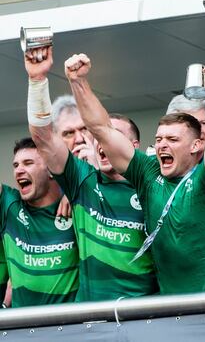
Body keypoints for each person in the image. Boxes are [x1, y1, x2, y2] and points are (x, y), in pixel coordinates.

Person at [65, 53, 205, 294]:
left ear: (196, 145)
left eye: (173, 139)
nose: (162, 145)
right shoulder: (148, 173)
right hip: (176, 308)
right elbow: (102, 129)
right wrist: (77, 82)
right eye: (159, 139)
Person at [24, 44, 158, 301]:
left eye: (112, 137)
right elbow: (43, 137)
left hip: (144, 316)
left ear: (133, 146)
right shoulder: (82, 180)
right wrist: (37, 80)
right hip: (92, 319)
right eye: (99, 136)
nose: (101, 143)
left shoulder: (152, 181)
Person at [0, 138, 79, 306]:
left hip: (71, 328)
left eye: (28, 163)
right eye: (16, 165)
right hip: (22, 328)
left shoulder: (78, 207)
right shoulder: (9, 206)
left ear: (51, 170)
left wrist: (74, 189)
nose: (19, 170)